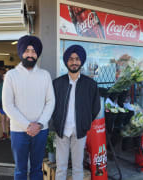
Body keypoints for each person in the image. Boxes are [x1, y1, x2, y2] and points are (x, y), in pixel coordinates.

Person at [2, 35, 55, 180]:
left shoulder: (45, 75)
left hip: (41, 130)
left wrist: (39, 124)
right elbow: (7, 105)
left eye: (34, 51)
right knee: (20, 169)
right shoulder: (11, 75)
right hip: (19, 131)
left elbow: (50, 102)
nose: (30, 54)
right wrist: (27, 125)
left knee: (37, 169)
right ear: (21, 53)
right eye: (27, 50)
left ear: (37, 54)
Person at [51, 45, 101, 180]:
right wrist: (56, 122)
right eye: (71, 59)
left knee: (78, 167)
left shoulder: (90, 84)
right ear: (66, 61)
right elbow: (51, 105)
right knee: (61, 167)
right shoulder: (57, 83)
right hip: (62, 130)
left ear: (81, 61)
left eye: (77, 59)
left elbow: (96, 107)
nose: (74, 62)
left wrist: (85, 123)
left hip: (80, 131)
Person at [0, 73, 10, 140]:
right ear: (2, 78)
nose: (5, 78)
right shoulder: (0, 85)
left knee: (8, 120)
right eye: (4, 76)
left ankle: (10, 132)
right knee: (3, 119)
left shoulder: (11, 85)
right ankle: (4, 133)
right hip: (2, 106)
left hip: (10, 107)